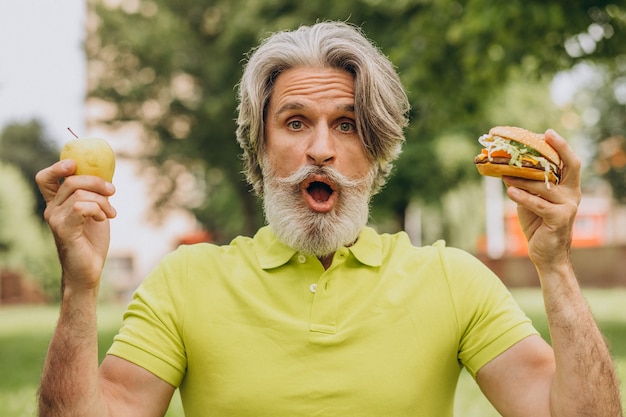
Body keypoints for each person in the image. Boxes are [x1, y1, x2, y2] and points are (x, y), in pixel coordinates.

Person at [36, 21, 621, 417]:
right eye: (295, 123)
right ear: (259, 148)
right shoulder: (184, 280)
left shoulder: (451, 279)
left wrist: (557, 268)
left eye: (345, 125)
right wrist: (79, 287)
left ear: (377, 149)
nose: (321, 149)